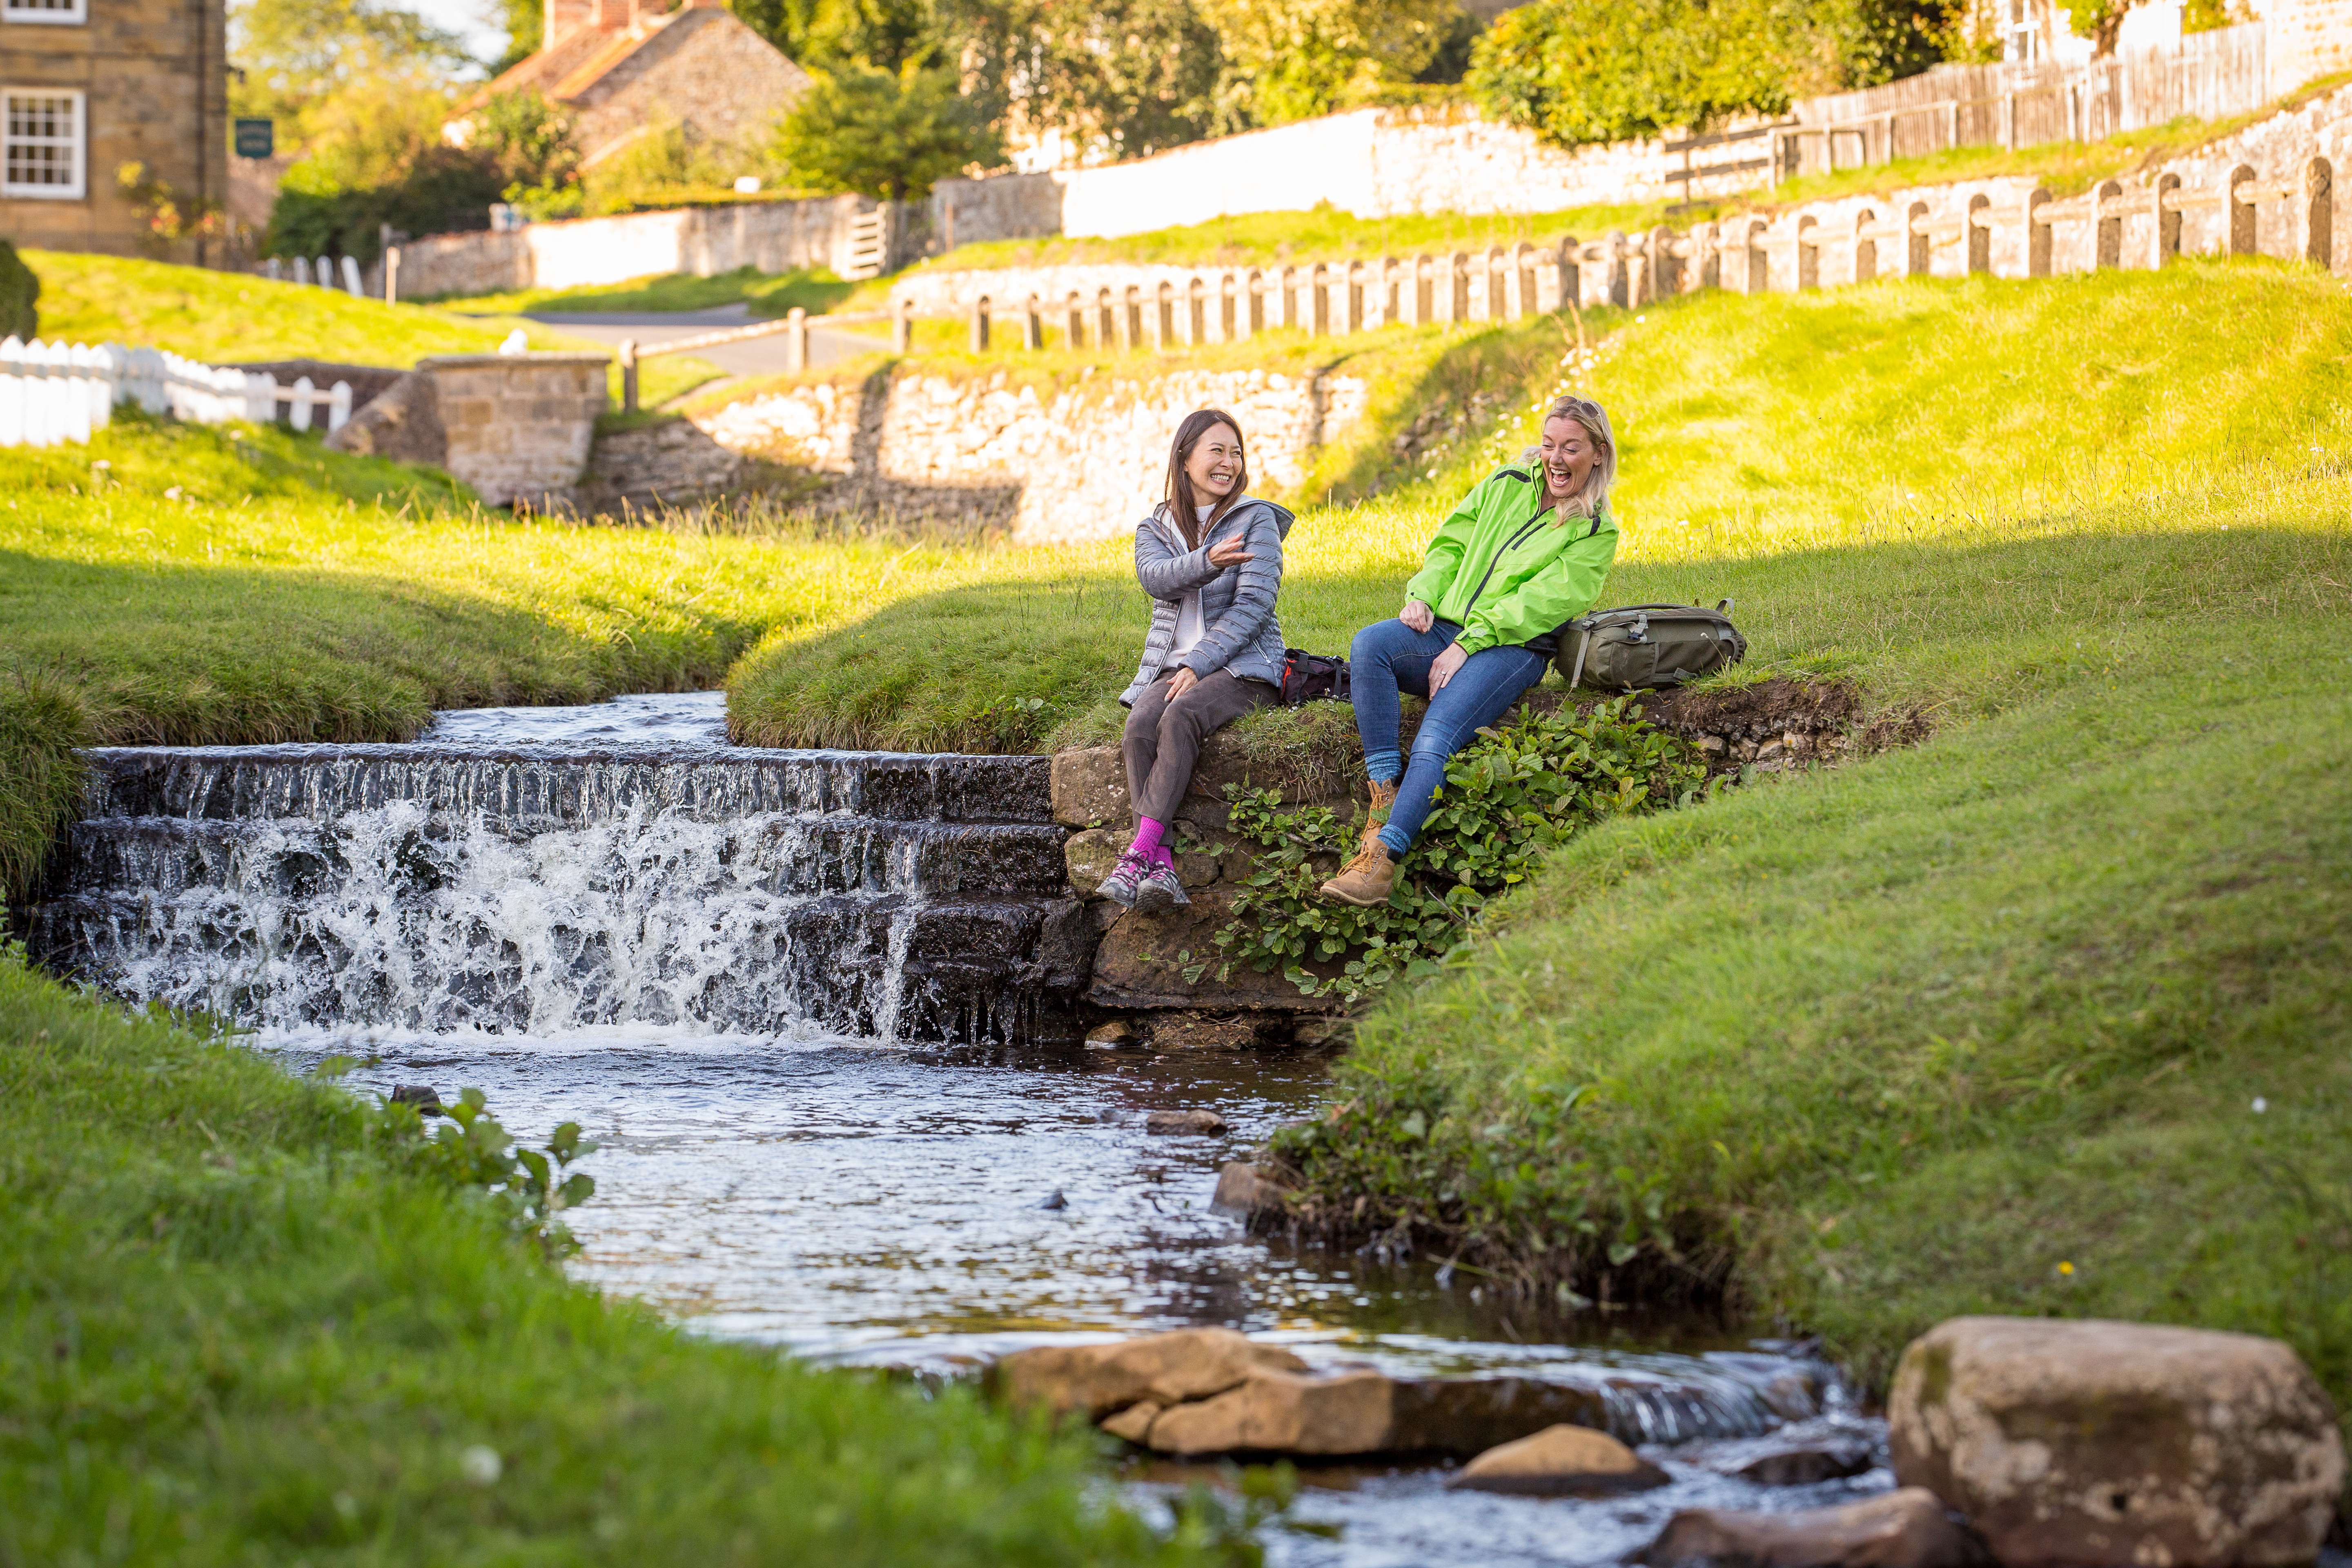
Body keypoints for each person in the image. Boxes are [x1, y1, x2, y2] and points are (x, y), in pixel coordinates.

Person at [1319, 394, 1621, 907]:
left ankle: (1381, 863)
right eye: (1549, 445)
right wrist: (1422, 595)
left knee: (1436, 734)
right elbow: (1452, 544)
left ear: (1597, 454)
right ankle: (1384, 797)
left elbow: (1540, 604)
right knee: (1372, 644)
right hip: (1447, 630)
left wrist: (1467, 644)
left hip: (1511, 649)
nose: (1556, 459)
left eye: (1571, 448)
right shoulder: (1506, 483)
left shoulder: (1594, 531)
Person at [1098, 409, 1294, 912]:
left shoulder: (1257, 520)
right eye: (1217, 451)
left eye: (1237, 452)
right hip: (1173, 665)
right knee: (1142, 722)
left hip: (1243, 667)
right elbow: (1156, 579)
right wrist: (1208, 561)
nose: (1229, 462)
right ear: (1185, 459)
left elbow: (1254, 606)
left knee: (1180, 715)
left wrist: (1199, 665)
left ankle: (1137, 854)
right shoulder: (1155, 526)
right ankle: (1160, 863)